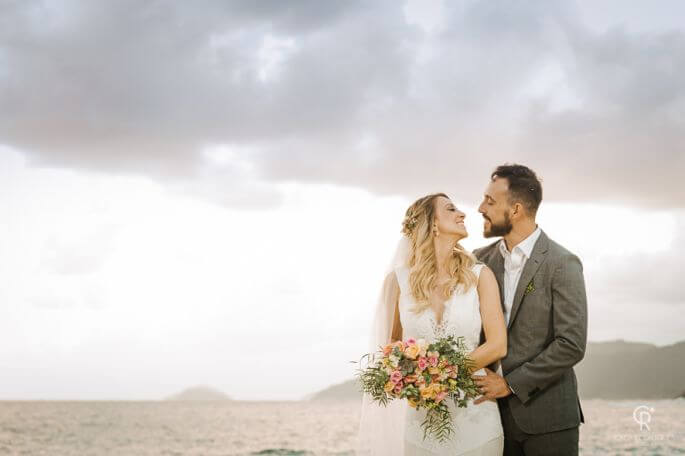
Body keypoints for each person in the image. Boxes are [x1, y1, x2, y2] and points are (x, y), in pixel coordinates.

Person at [357, 192, 507, 455]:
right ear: (432, 224)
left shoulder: (480, 276)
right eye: (450, 209)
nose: (462, 214)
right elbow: (393, 345)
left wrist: (443, 374)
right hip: (422, 425)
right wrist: (410, 375)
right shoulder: (398, 281)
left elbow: (497, 345)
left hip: (477, 418)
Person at [472, 164, 587, 456]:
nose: (480, 208)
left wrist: (509, 384)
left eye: (490, 201)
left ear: (516, 209)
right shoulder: (478, 261)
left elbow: (570, 344)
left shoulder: (563, 263)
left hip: (549, 421)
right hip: (489, 420)